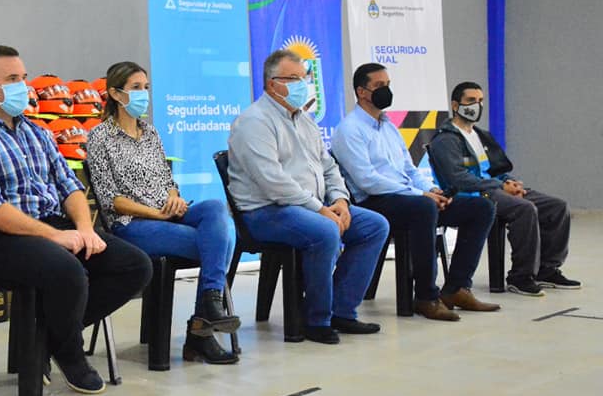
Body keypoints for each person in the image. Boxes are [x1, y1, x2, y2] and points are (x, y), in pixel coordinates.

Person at [0, 45, 152, 394]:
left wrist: (84, 229)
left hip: (53, 226)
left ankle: (48, 336)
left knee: (135, 265)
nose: (22, 87)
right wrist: (54, 237)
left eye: (23, 78)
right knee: (67, 270)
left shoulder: (38, 133)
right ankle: (70, 352)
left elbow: (71, 187)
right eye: (11, 79)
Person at [228, 49, 389, 344]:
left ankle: (342, 311)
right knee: (324, 230)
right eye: (293, 79)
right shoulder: (254, 122)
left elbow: (328, 166)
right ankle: (316, 320)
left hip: (310, 206)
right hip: (265, 211)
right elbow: (273, 182)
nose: (302, 85)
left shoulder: (304, 119)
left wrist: (340, 200)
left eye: (304, 78)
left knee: (375, 226)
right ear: (272, 84)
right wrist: (320, 210)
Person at [87, 61, 240, 365]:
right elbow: (110, 199)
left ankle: (208, 305)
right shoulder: (100, 137)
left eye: (146, 87)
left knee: (215, 209)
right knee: (218, 243)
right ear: (116, 94)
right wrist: (155, 214)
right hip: (133, 223)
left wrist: (173, 197)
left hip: (167, 212)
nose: (143, 94)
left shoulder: (150, 132)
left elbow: (167, 180)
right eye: (136, 88)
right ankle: (202, 330)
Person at [331, 64, 499, 322]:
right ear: (361, 92)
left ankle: (456, 288)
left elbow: (409, 169)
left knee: (481, 208)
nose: (386, 90)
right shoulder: (349, 129)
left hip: (408, 197)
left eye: (388, 85)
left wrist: (431, 190)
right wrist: (420, 196)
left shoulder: (388, 126)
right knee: (424, 208)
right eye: (379, 86)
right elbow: (367, 181)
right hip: (374, 202)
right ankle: (425, 296)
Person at [429, 81, 579, 295]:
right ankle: (521, 277)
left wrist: (511, 182)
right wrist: (501, 185)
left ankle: (547, 269)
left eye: (480, 101)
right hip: (474, 194)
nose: (477, 106)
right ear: (455, 105)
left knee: (557, 207)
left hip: (495, 187)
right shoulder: (446, 140)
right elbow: (458, 179)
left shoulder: (482, 136)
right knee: (524, 209)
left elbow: (498, 169)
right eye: (470, 100)